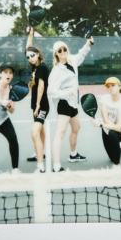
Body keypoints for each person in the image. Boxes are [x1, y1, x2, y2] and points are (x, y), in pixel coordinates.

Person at [46, 36, 93, 172]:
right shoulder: (56, 70)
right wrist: (67, 94)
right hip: (64, 103)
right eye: (59, 51)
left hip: (73, 103)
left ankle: (73, 155)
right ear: (56, 54)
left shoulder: (72, 61)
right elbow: (51, 91)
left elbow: (81, 55)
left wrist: (88, 44)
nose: (62, 52)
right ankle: (56, 166)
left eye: (64, 49)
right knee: (60, 133)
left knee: (76, 128)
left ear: (67, 49)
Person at [87, 77, 121, 169]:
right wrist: (104, 125)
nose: (110, 88)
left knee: (112, 134)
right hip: (106, 129)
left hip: (117, 131)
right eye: (108, 86)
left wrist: (99, 125)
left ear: (119, 87)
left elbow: (118, 126)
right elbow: (105, 120)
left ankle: (117, 165)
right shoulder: (104, 99)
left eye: (113, 85)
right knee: (112, 157)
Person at [23, 27, 51, 173]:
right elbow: (28, 48)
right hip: (36, 104)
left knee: (35, 132)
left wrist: (38, 105)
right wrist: (31, 33)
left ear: (38, 54)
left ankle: (40, 166)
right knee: (40, 131)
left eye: (32, 55)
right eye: (28, 57)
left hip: (41, 105)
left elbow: (41, 87)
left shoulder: (42, 67)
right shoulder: (34, 67)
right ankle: (41, 153)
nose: (30, 58)